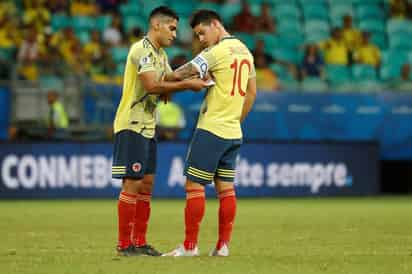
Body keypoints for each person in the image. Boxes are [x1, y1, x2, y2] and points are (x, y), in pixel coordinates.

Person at [112, 6, 208, 256]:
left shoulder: (160, 54)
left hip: (147, 127)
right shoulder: (141, 49)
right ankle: (124, 245)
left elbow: (169, 79)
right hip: (132, 124)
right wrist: (187, 85)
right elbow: (153, 85)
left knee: (147, 184)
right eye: (172, 28)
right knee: (132, 183)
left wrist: (199, 69)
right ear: (156, 25)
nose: (175, 34)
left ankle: (140, 242)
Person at [163, 10, 257, 257]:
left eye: (202, 33)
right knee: (226, 189)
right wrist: (235, 120)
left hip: (211, 129)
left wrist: (165, 79)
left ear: (216, 25)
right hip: (233, 132)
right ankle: (222, 246)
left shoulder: (215, 52)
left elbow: (187, 71)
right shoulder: (245, 51)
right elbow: (251, 93)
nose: (201, 39)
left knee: (193, 185)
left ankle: (190, 247)